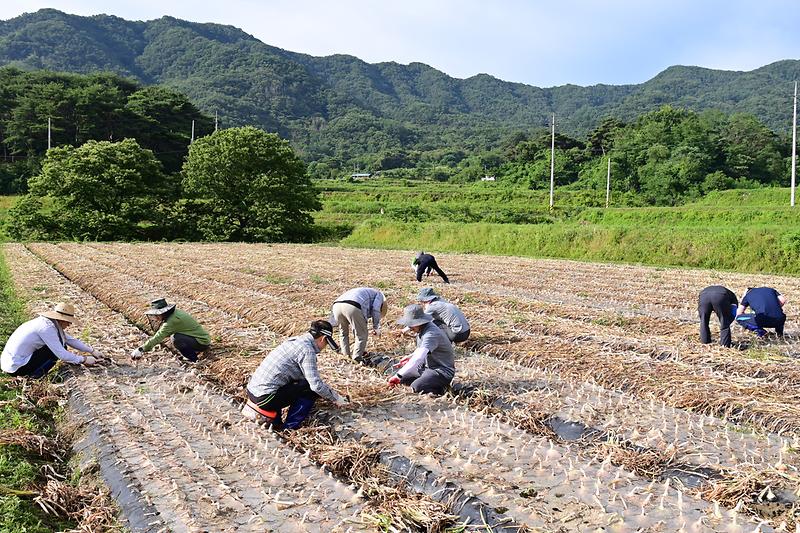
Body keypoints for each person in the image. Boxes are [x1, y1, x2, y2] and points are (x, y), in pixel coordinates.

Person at [242, 320, 348, 429]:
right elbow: (315, 385)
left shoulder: (294, 341)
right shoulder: (307, 350)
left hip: (253, 391)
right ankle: (289, 427)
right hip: (264, 398)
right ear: (323, 339)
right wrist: (336, 398)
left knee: (294, 384)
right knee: (309, 390)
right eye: (326, 344)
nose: (324, 347)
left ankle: (276, 422)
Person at [1, 303, 101, 378]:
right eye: (68, 322)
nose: (69, 325)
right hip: (16, 367)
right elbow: (61, 354)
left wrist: (92, 351)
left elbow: (70, 340)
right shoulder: (46, 328)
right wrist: (84, 360)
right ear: (62, 320)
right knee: (54, 351)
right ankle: (33, 376)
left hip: (14, 361)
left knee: (62, 344)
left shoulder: (49, 324)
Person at [388, 304, 455, 395]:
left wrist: (398, 375)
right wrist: (410, 357)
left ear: (420, 322)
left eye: (411, 325)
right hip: (426, 368)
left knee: (417, 387)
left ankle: (442, 390)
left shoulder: (431, 334)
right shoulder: (421, 329)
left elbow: (419, 357)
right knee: (402, 381)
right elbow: (421, 350)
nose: (410, 328)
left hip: (441, 371)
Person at [130, 299, 210, 362]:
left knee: (175, 338)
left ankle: (192, 358)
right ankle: (192, 351)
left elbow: (158, 337)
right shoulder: (176, 313)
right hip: (198, 337)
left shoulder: (172, 322)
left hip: (202, 342)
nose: (156, 317)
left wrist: (141, 349)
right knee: (175, 337)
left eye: (157, 315)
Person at [330, 287, 387, 363]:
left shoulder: (364, 292)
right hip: (353, 305)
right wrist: (376, 327)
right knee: (361, 335)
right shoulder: (379, 294)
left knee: (343, 333)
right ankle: (356, 359)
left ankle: (345, 356)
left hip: (336, 306)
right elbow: (375, 309)